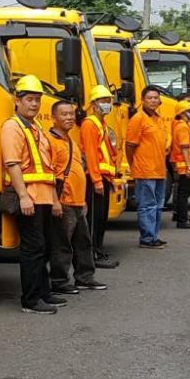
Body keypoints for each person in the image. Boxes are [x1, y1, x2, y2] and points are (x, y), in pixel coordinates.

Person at [0, 74, 65, 315]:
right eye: (29, 99)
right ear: (17, 100)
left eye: (37, 100)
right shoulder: (12, 126)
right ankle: (30, 299)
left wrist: (55, 199)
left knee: (44, 247)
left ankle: (43, 292)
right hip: (29, 196)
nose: (34, 104)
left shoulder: (35, 127)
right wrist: (23, 196)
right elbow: (12, 163)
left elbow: (46, 167)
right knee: (33, 248)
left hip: (45, 196)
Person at [48, 100, 107, 296]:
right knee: (62, 244)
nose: (69, 117)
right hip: (63, 201)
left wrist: (83, 201)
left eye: (71, 114)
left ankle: (85, 278)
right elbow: (50, 175)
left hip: (78, 201)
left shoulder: (70, 139)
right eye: (64, 114)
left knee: (83, 242)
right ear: (54, 118)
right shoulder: (51, 141)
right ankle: (60, 281)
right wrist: (55, 201)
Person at [80, 85, 119, 269]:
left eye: (108, 100)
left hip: (104, 177)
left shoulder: (101, 123)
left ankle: (98, 250)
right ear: (93, 104)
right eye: (103, 101)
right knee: (94, 220)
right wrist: (96, 180)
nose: (107, 104)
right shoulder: (90, 124)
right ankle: (92, 254)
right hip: (95, 178)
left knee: (101, 218)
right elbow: (90, 155)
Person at [126, 86, 170, 249]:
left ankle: (153, 236)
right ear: (142, 100)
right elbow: (129, 146)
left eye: (155, 98)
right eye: (150, 98)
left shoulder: (158, 119)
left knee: (158, 206)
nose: (153, 100)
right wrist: (134, 165)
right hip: (145, 171)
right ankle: (147, 238)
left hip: (159, 171)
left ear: (159, 101)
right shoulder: (138, 119)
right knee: (147, 206)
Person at [170, 100, 190, 229]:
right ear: (182, 113)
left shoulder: (184, 125)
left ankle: (182, 216)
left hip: (184, 166)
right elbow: (184, 148)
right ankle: (182, 220)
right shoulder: (182, 127)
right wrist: (189, 167)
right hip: (184, 167)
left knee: (183, 193)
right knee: (183, 194)